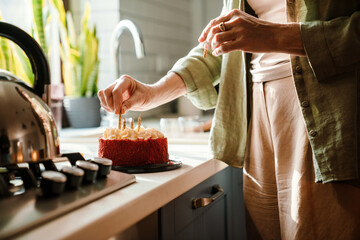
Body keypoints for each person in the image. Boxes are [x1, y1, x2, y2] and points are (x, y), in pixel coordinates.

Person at [98, 0, 360, 239]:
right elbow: (217, 48)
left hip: (327, 114)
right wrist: (153, 93)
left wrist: (273, 35)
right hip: (257, 112)